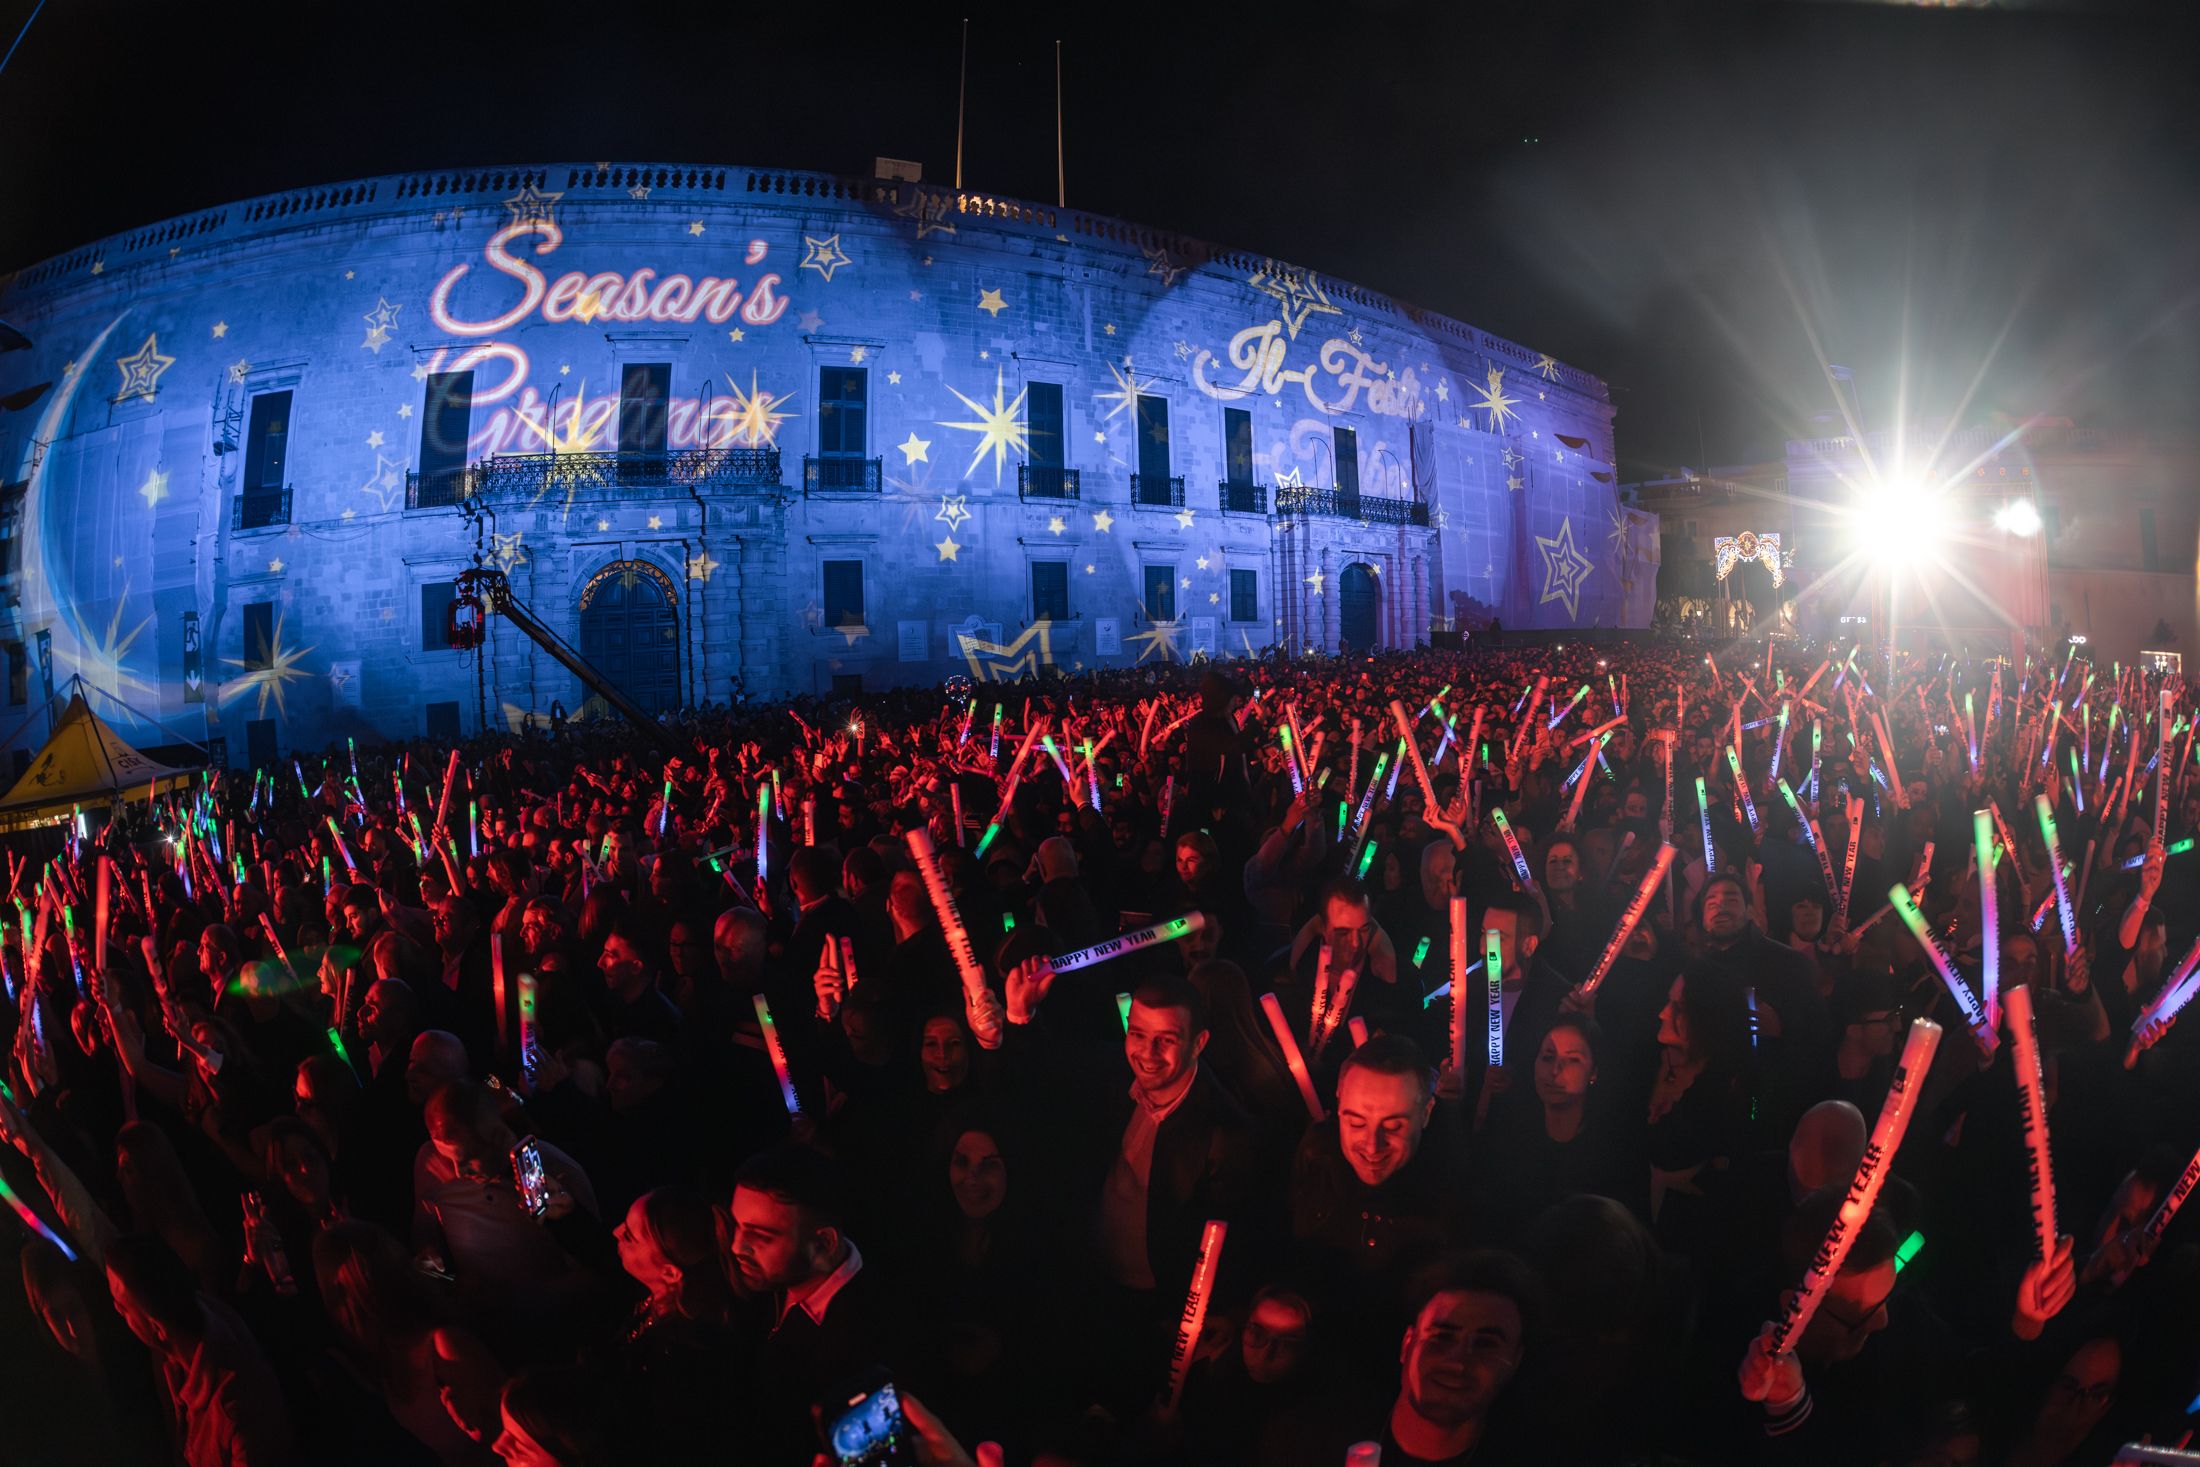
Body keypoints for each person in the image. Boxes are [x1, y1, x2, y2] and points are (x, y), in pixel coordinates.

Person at [105, 1231, 298, 1467]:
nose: (115, 1309)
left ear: (158, 1329)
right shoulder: (189, 1318)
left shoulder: (238, 1413)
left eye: (123, 1308)